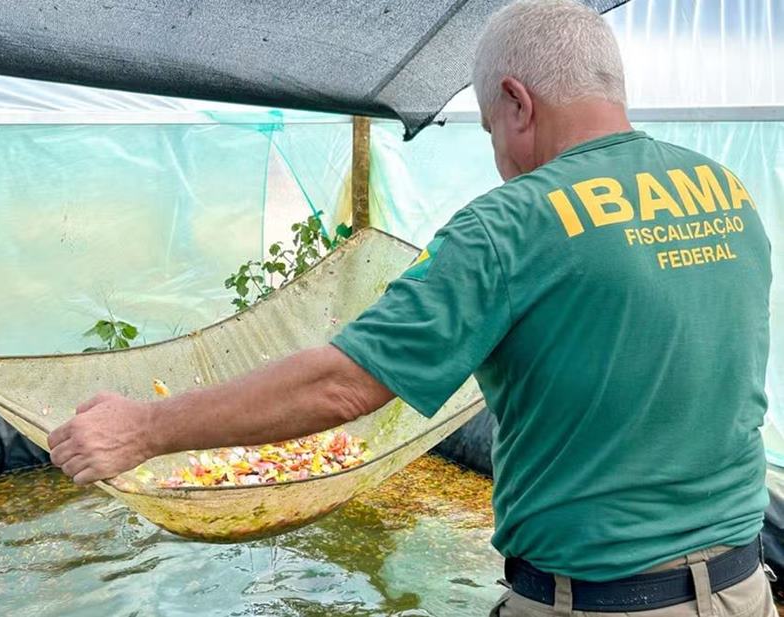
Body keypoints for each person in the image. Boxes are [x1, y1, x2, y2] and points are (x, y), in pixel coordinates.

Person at [48, 1, 776, 614]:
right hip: (743, 588)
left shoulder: (512, 223)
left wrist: (144, 427)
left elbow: (344, 381)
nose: (499, 152)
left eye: (493, 129)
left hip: (605, 599)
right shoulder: (725, 194)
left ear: (518, 101)